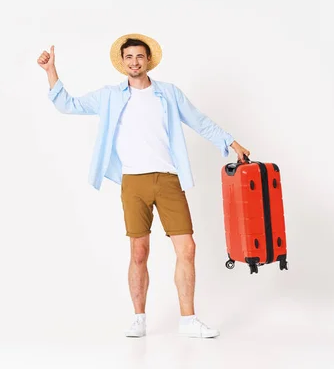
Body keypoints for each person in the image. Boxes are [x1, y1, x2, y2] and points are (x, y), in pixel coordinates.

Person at [37, 33, 250, 338]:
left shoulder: (169, 94)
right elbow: (68, 105)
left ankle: (188, 319)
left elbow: (199, 120)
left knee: (187, 248)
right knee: (139, 251)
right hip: (132, 182)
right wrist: (51, 72)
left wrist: (232, 143)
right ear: (121, 63)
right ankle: (139, 317)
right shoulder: (109, 95)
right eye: (129, 57)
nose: (134, 62)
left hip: (167, 178)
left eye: (139, 56)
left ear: (148, 60)